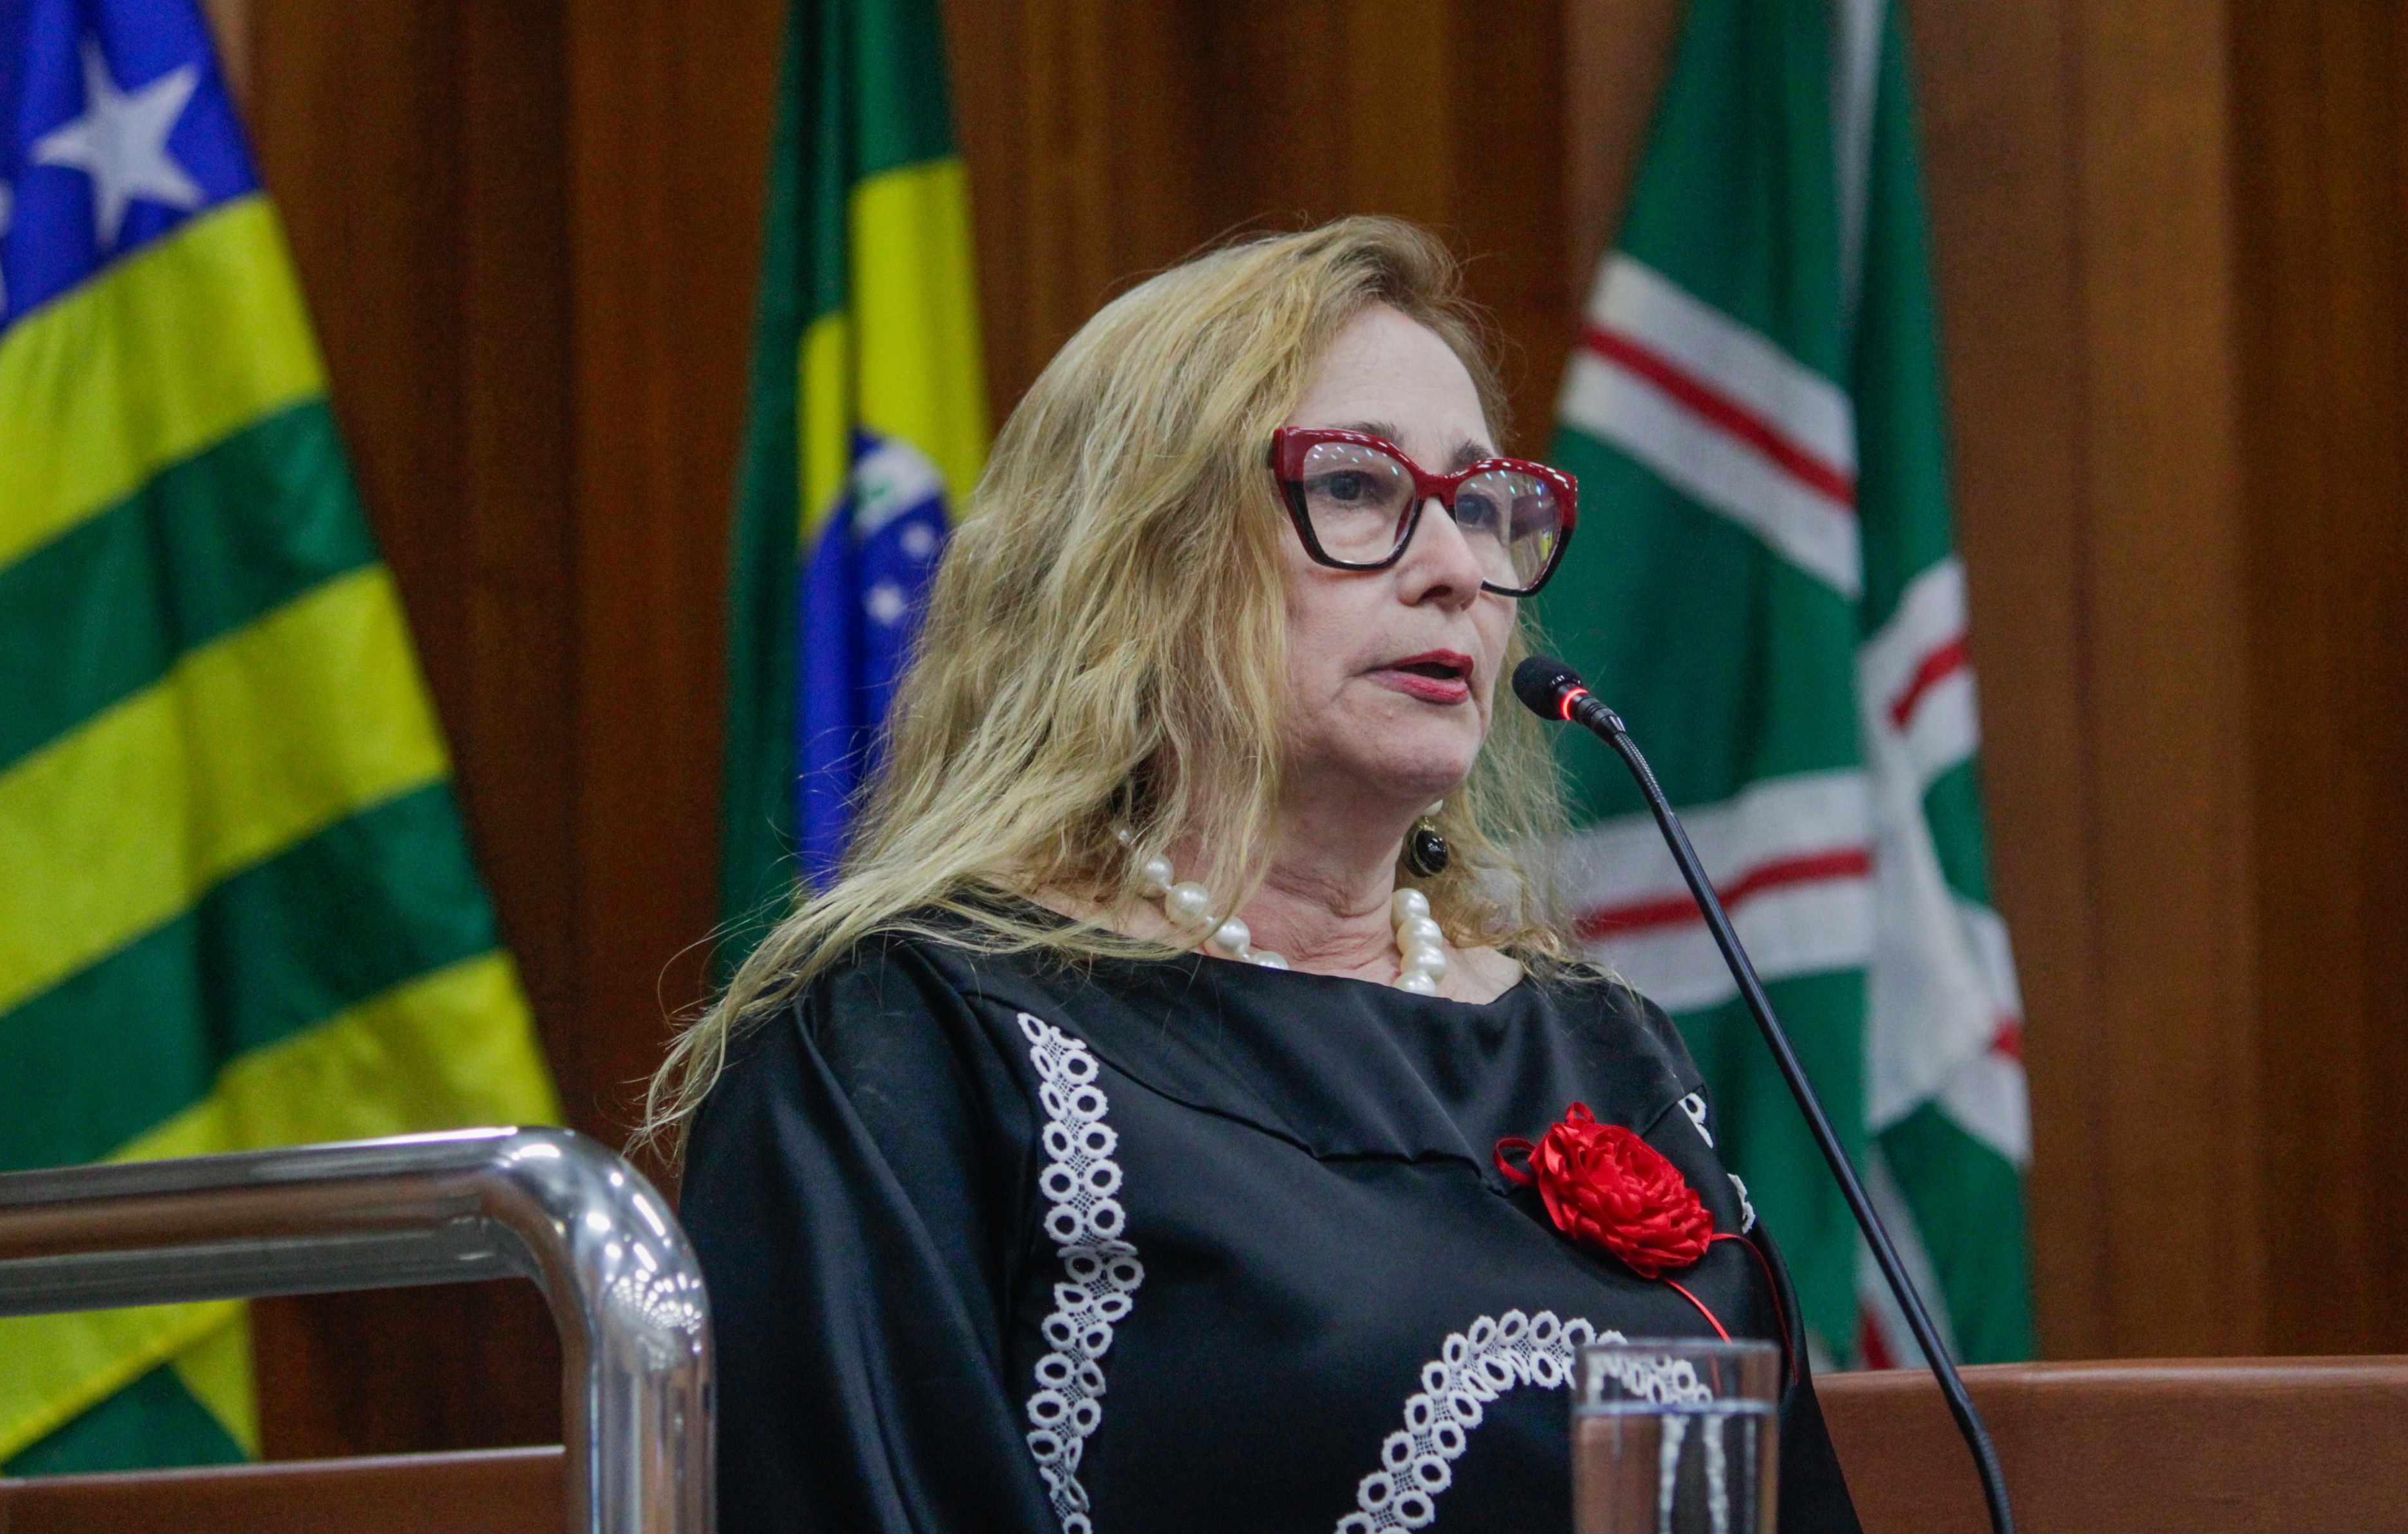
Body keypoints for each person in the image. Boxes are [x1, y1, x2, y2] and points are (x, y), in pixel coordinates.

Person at [653, 217, 1862, 1534]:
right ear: (1134, 558)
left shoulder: (1604, 1046)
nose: (1456, 570)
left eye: (1479, 505)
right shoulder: (910, 1034)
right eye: (1355, 487)